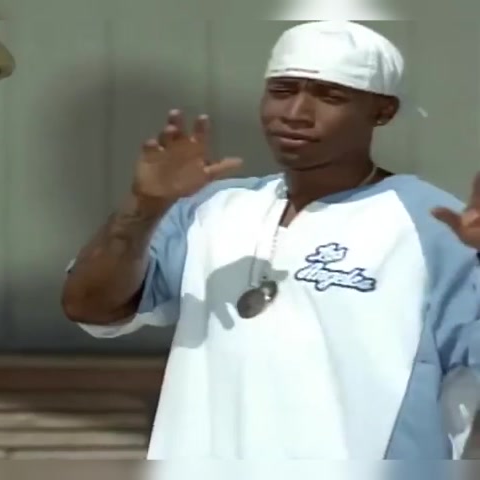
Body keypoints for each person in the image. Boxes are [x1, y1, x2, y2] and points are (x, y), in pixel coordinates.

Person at [61, 20, 480, 460]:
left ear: (383, 111)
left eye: (330, 96)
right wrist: (144, 206)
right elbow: (88, 306)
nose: (296, 112)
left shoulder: (435, 226)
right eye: (282, 90)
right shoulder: (211, 207)